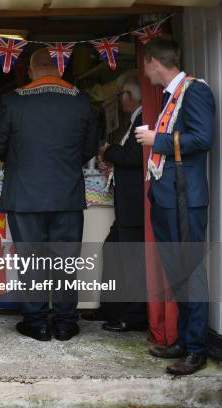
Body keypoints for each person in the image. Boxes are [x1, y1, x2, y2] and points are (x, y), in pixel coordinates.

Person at [0, 48, 98, 342]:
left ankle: (36, 322)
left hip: (24, 195)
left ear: (30, 70)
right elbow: (90, 148)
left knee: (30, 259)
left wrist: (20, 157)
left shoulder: (12, 101)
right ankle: (65, 323)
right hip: (67, 193)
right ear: (59, 70)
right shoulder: (82, 101)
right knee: (65, 261)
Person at [135, 38, 215, 375]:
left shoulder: (194, 91)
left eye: (144, 63)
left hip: (185, 198)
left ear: (154, 61)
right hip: (168, 197)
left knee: (191, 273)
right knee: (178, 274)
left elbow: (202, 138)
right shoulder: (172, 95)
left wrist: (158, 140)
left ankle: (196, 349)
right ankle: (183, 341)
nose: (144, 70)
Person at [84, 72, 148, 332]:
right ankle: (110, 308)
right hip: (127, 206)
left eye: (120, 95)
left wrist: (108, 151)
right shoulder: (135, 119)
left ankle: (133, 316)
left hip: (135, 205)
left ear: (129, 96)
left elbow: (134, 156)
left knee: (131, 261)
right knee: (111, 251)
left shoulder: (144, 118)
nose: (119, 101)